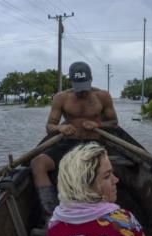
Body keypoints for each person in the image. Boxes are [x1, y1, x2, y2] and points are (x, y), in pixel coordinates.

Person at [30, 61, 118, 222]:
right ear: (71, 82)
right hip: (68, 144)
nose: (82, 92)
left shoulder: (102, 96)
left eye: (85, 86)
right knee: (38, 164)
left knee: (88, 170)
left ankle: (101, 211)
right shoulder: (61, 98)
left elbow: (114, 123)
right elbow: (50, 126)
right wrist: (60, 129)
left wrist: (97, 124)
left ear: (91, 80)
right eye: (78, 87)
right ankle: (50, 213)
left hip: (93, 144)